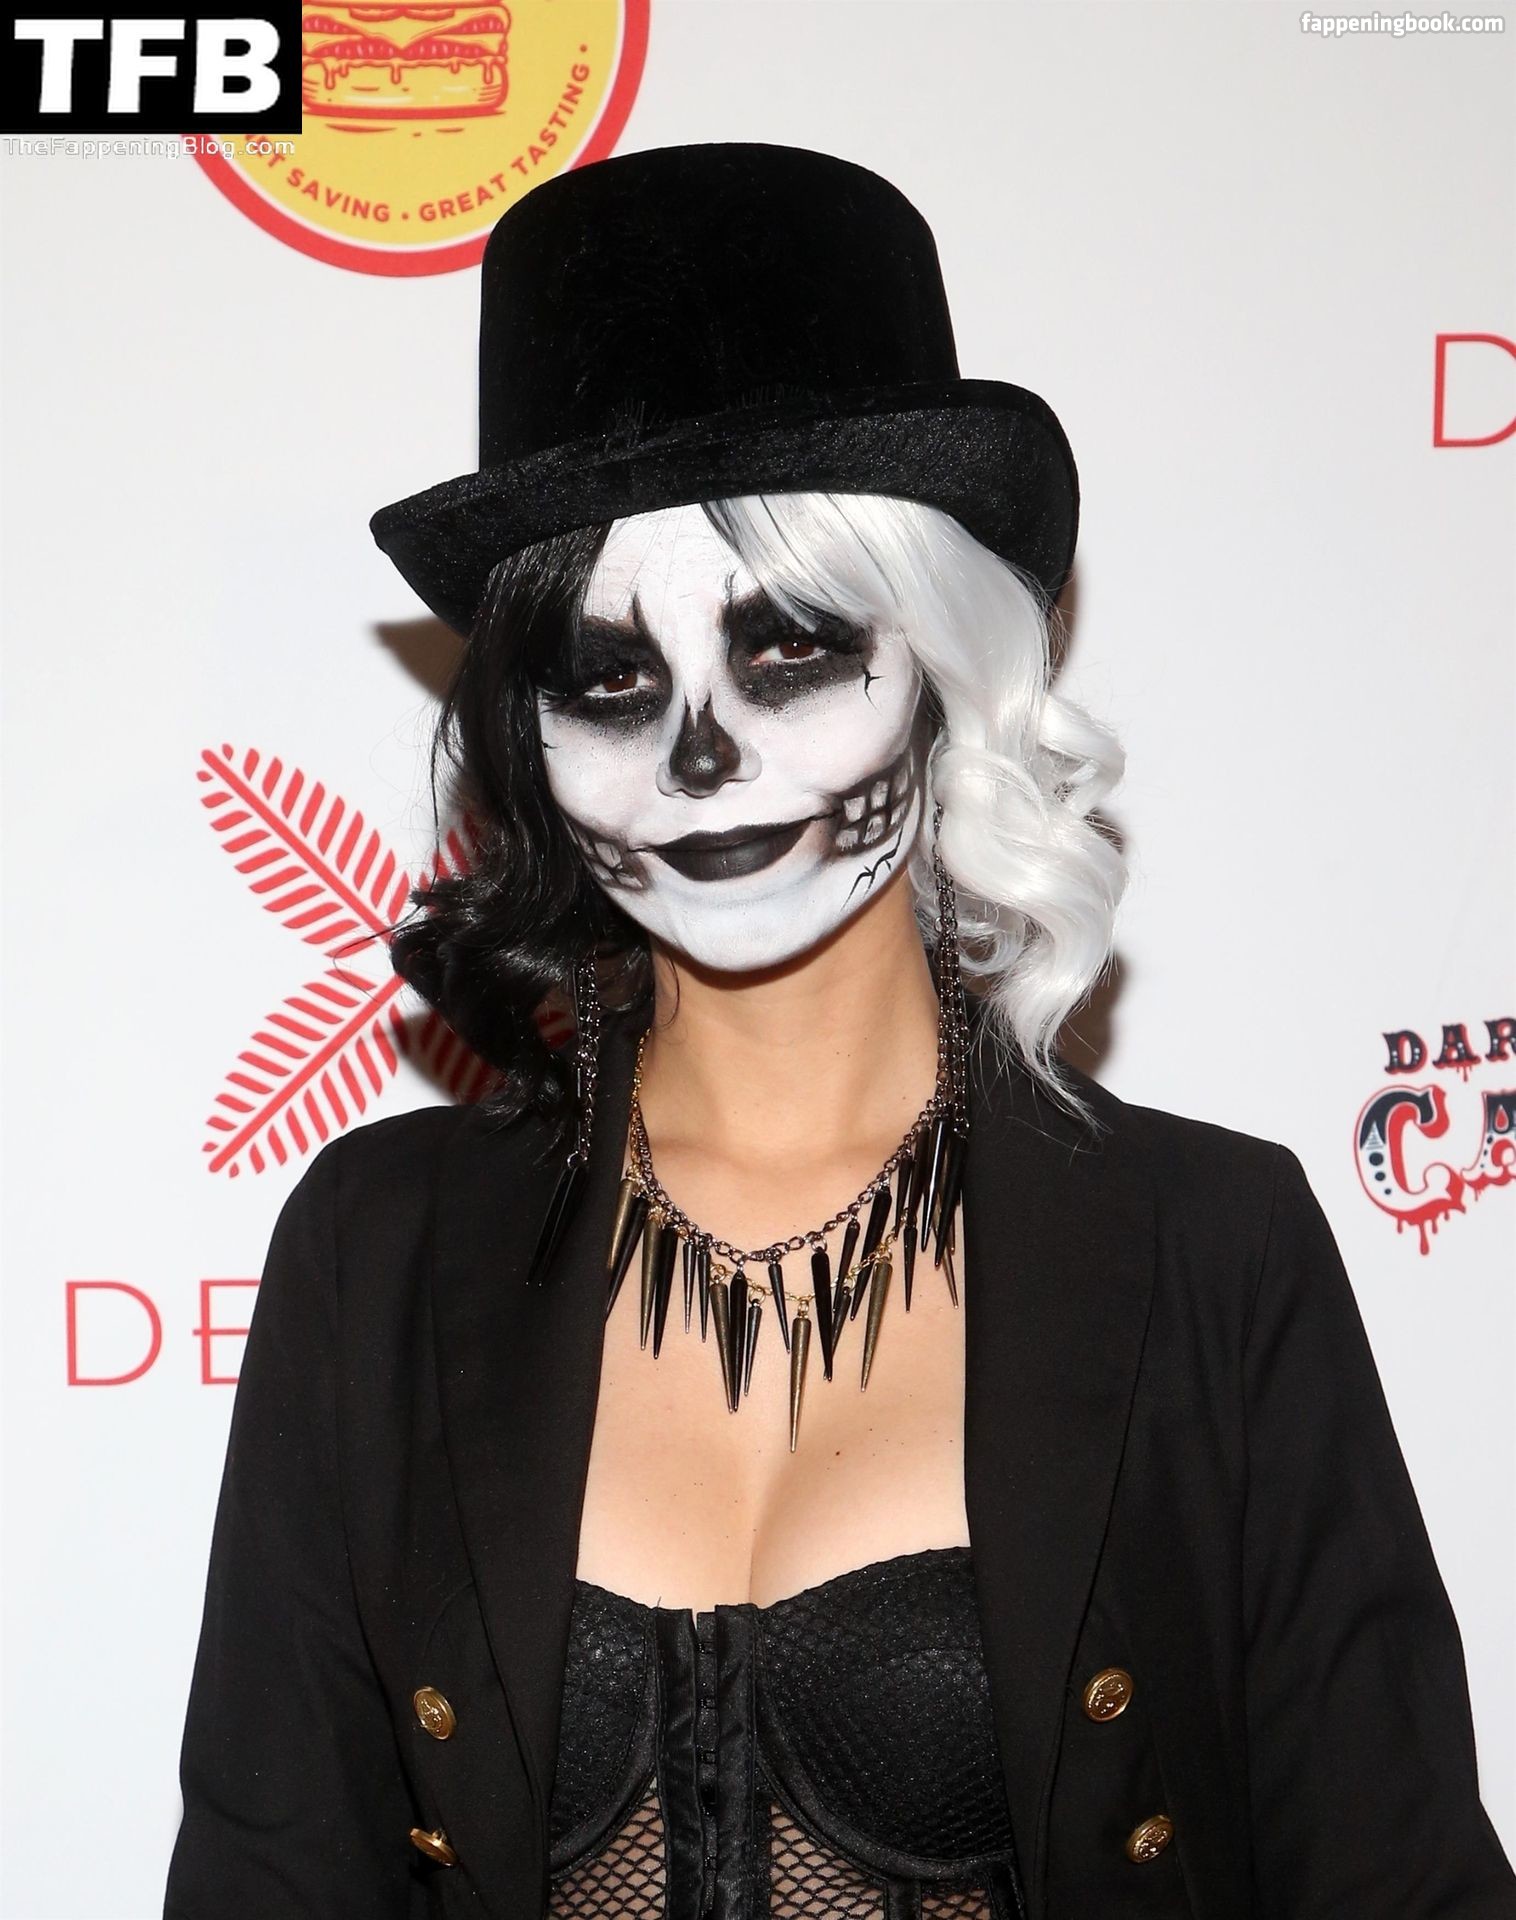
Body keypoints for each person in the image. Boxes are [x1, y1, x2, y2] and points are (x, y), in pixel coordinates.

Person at [162, 143, 1516, 1920]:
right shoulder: (379, 1252)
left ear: (945, 668)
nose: (701, 759)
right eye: (611, 681)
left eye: (791, 649)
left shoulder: (1211, 1248)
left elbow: (1401, 1880)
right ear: (529, 745)